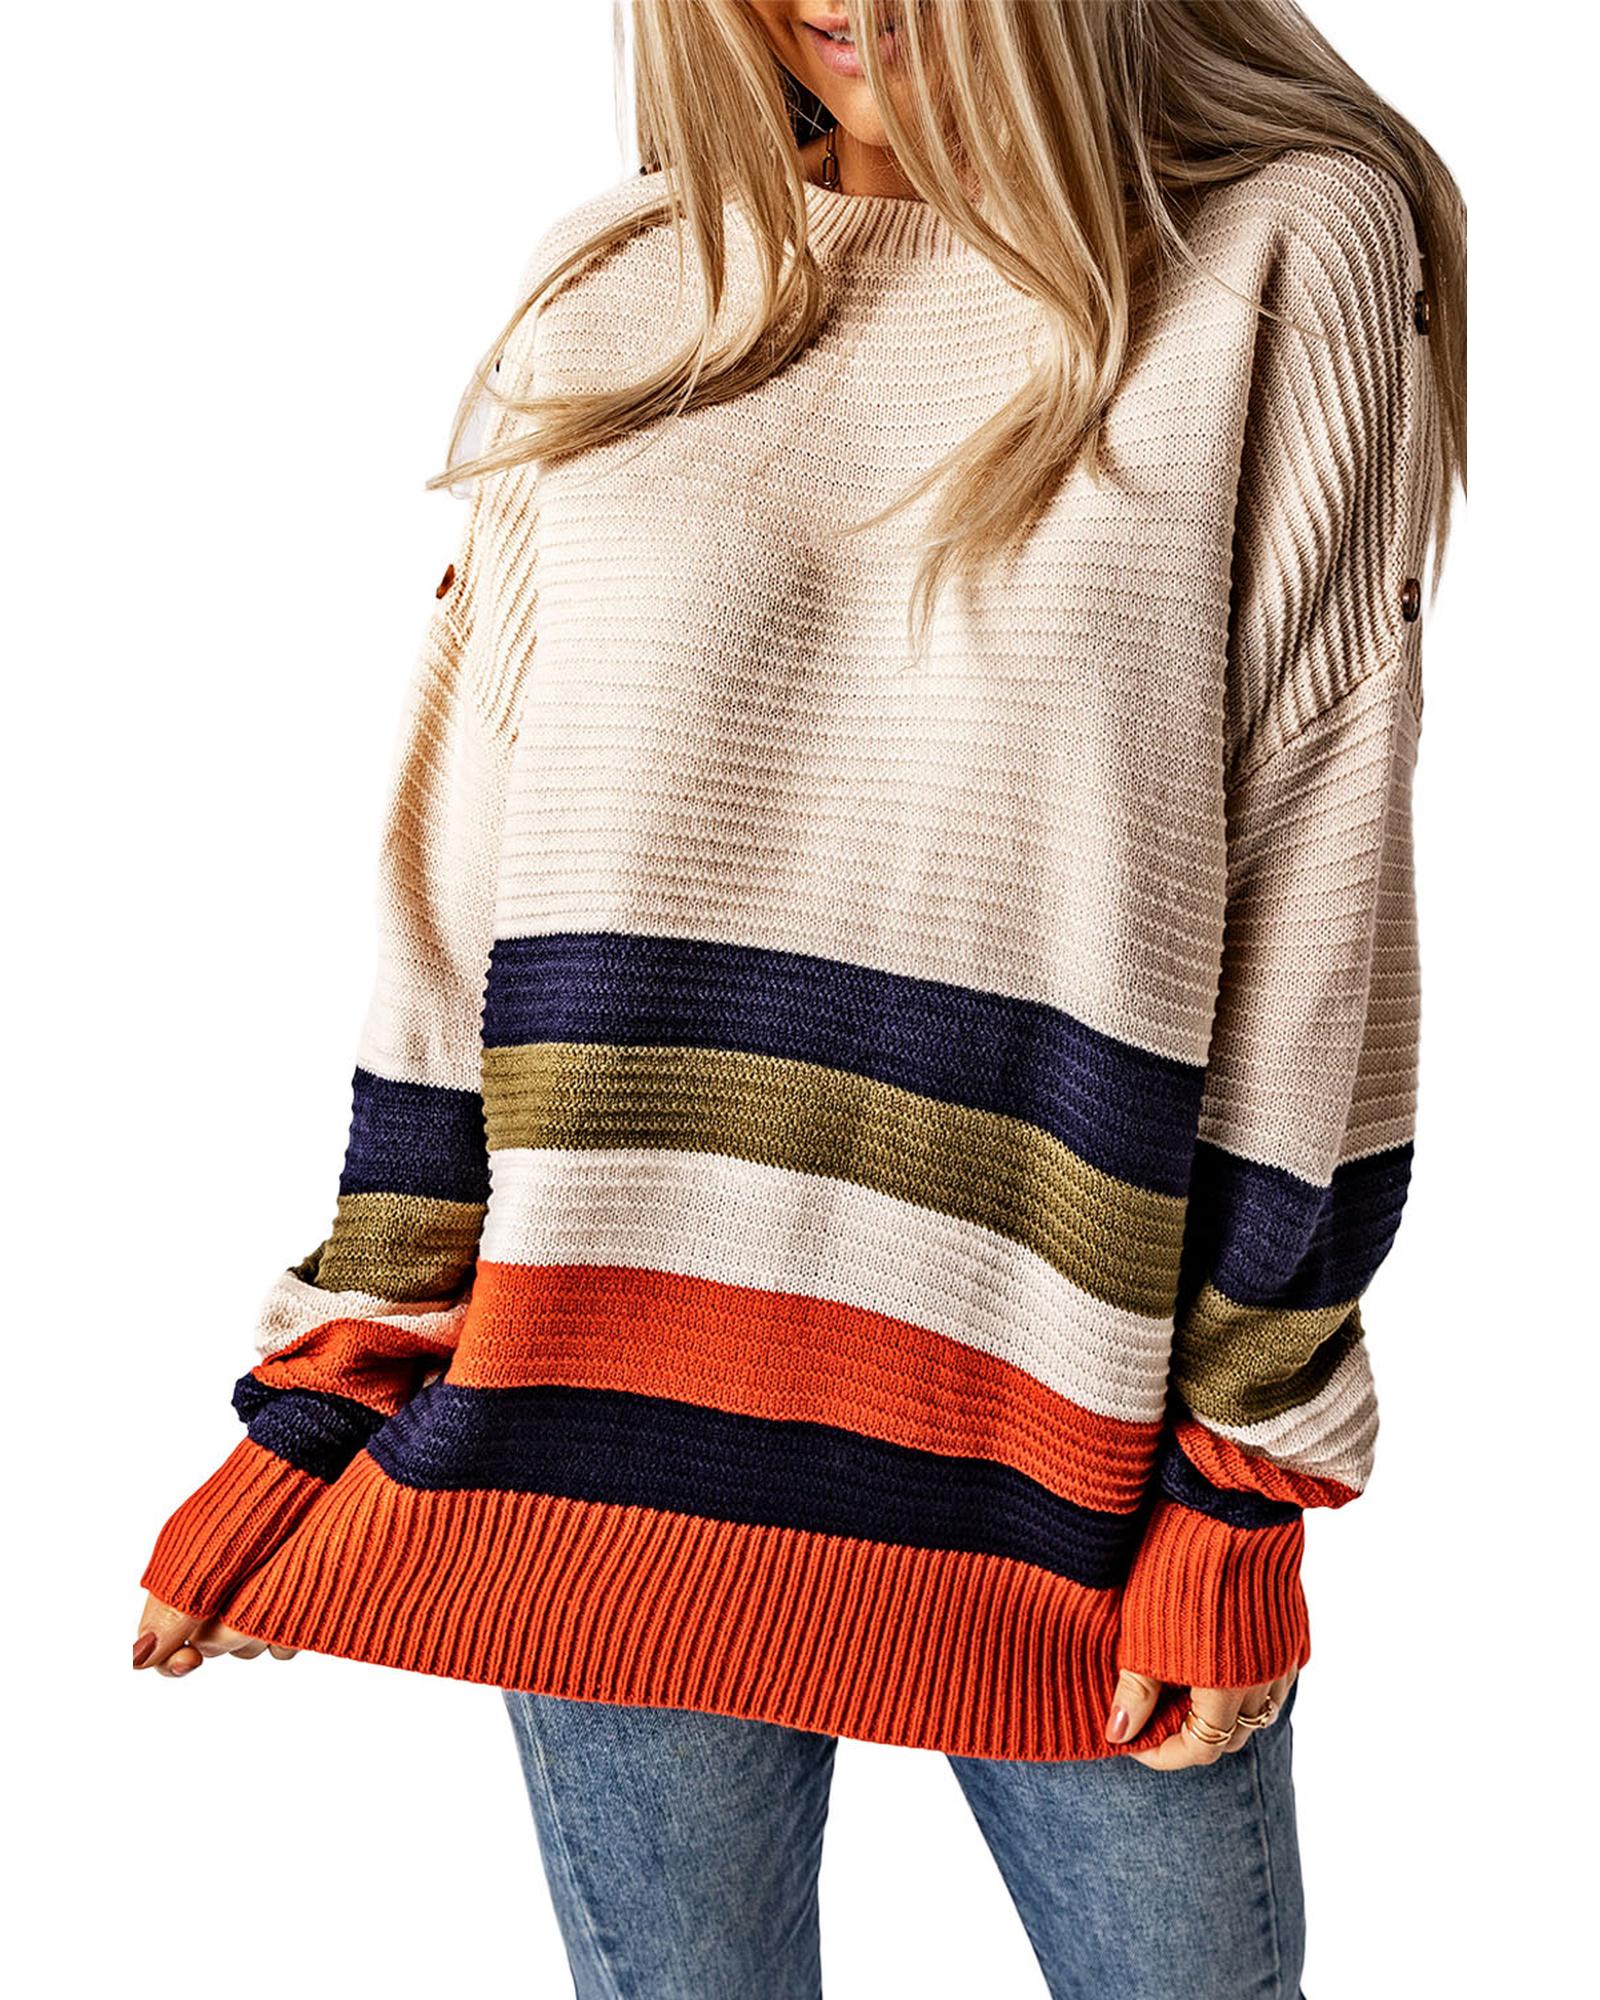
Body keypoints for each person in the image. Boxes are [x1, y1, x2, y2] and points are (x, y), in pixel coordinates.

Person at [132, 3, 1465, 1994]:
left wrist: (1241, 1478)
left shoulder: (1284, 251)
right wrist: (335, 1376)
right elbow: (458, 881)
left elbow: (1316, 885)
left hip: (1070, 1452)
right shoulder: (617, 282)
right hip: (595, 1401)